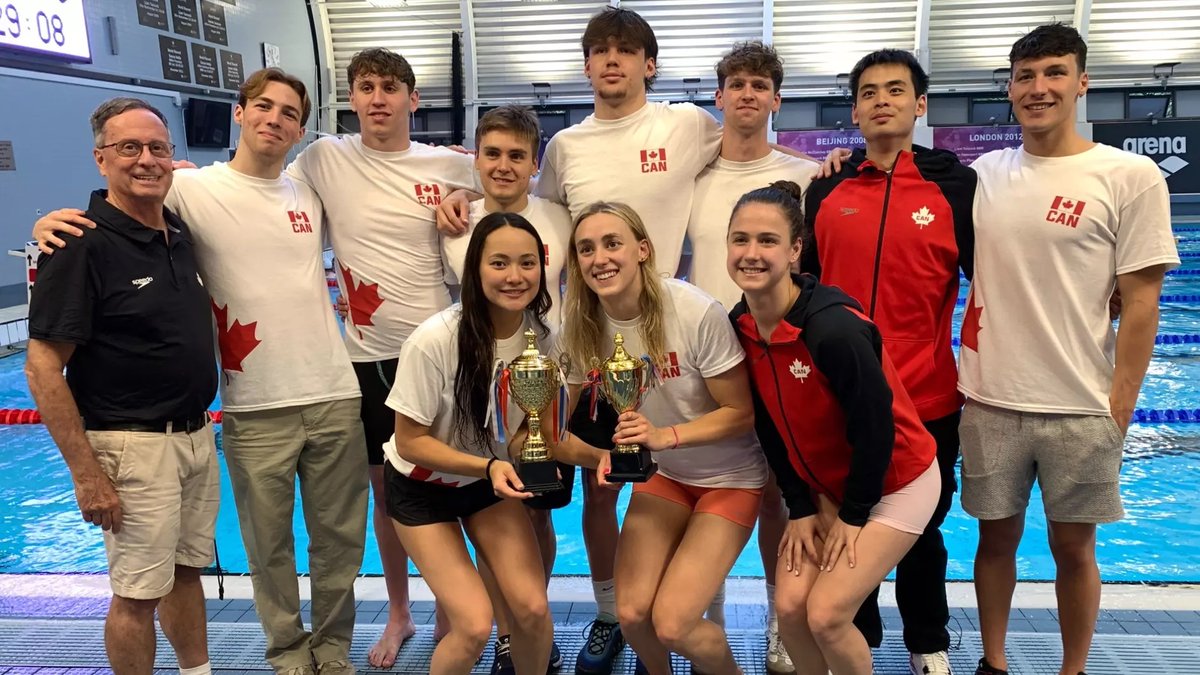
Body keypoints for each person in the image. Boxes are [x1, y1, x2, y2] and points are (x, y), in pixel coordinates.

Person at [33, 70, 368, 675]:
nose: (275, 118)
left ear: (300, 128)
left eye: (290, 112)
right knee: (267, 550)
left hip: (331, 394)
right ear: (239, 113)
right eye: (263, 105)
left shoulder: (308, 192)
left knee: (338, 544)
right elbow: (117, 202)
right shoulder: (190, 190)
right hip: (250, 404)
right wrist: (46, 223)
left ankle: (334, 652)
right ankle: (290, 656)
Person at [439, 12, 724, 672]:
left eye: (626, 51)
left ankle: (691, 611)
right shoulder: (566, 146)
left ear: (650, 63)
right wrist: (463, 194)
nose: (612, 61)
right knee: (595, 488)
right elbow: (520, 213)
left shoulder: (684, 125)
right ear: (587, 65)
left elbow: (746, 142)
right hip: (588, 348)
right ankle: (604, 611)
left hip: (668, 345)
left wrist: (828, 157)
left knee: (682, 475)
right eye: (599, 52)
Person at [958, 25, 1178, 675]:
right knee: (993, 541)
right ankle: (993, 662)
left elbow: (1140, 301)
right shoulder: (983, 175)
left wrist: (1121, 403)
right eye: (1025, 76)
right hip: (989, 394)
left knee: (1074, 548)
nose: (1039, 87)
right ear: (1009, 88)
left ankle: (1073, 668)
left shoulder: (1128, 176)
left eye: (1054, 72)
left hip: (1081, 404)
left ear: (1082, 83)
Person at [285, 47, 479, 666]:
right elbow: (260, 187)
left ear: (412, 100)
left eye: (391, 88)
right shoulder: (324, 158)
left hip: (443, 358)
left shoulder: (451, 165)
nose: (377, 98)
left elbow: (518, 191)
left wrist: (466, 204)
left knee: (452, 483)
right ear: (351, 97)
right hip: (367, 361)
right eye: (365, 87)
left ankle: (453, 612)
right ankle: (400, 612)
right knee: (389, 495)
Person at [24, 97, 219, 675]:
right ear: (100, 159)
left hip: (194, 436)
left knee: (186, 574)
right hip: (130, 446)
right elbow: (41, 367)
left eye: (158, 148)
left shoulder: (175, 231)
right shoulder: (80, 244)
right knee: (136, 595)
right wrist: (87, 475)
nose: (146, 160)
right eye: (128, 148)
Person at [799, 49, 976, 675]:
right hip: (840, 399)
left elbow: (995, 282)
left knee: (922, 529)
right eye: (869, 92)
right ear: (854, 110)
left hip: (926, 396)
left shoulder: (956, 186)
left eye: (896, 90)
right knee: (850, 524)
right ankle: (861, 635)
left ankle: (928, 639)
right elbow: (803, 294)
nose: (882, 100)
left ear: (919, 104)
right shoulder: (827, 186)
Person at [382, 212, 609, 675]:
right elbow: (409, 443)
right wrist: (486, 467)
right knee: (472, 626)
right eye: (500, 263)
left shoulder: (546, 341)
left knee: (531, 609)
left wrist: (603, 456)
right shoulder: (435, 341)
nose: (515, 276)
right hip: (423, 488)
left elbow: (541, 438)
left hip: (488, 484)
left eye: (527, 263)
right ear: (476, 269)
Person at [727, 181, 939, 675]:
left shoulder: (833, 331)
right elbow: (770, 426)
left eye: (767, 241)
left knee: (826, 615)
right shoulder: (741, 324)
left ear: (795, 249)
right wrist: (798, 507)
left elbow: (877, 430)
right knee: (791, 609)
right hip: (828, 489)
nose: (751, 253)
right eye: (740, 239)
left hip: (896, 483)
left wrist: (853, 514)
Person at [557, 201, 766, 675]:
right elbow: (552, 430)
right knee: (631, 615)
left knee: (674, 623)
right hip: (667, 478)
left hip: (728, 477)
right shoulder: (582, 327)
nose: (600, 258)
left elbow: (741, 413)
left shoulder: (693, 310)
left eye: (613, 243)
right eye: (586, 249)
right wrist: (597, 457)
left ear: (643, 250)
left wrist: (664, 436)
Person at [685, 40, 818, 675]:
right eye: (735, 83)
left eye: (759, 85)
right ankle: (701, 615)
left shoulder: (804, 177)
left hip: (769, 355)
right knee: (692, 483)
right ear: (719, 97)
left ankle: (777, 624)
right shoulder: (692, 177)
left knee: (779, 496)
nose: (746, 94)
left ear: (775, 100)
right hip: (699, 362)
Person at [440, 103, 573, 674]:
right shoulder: (453, 217)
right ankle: (502, 630)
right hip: (477, 388)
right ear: (475, 157)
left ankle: (528, 621)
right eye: (491, 153)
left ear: (533, 162)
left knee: (536, 516)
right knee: (492, 510)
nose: (502, 165)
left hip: (544, 381)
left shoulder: (559, 216)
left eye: (516, 155)